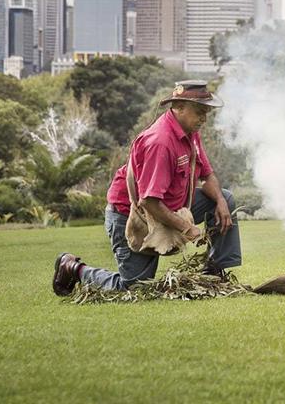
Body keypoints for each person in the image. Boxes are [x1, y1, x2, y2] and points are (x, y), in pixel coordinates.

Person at [52, 80, 242, 296]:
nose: (204, 119)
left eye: (206, 112)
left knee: (225, 197)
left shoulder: (190, 132)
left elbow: (207, 175)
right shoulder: (160, 142)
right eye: (199, 111)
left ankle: (215, 272)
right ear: (178, 107)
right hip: (134, 214)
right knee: (135, 288)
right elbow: (148, 201)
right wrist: (187, 228)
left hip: (171, 206)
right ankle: (74, 268)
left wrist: (220, 202)